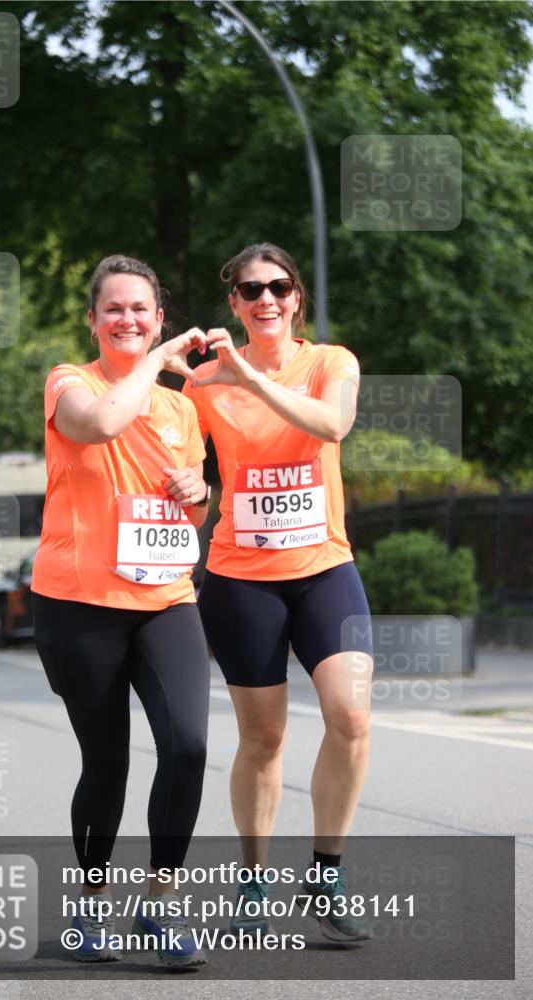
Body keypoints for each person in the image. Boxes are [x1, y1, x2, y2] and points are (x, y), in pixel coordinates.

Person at [184, 243, 374, 944]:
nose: (265, 299)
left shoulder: (330, 363)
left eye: (278, 286)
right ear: (232, 303)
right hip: (240, 579)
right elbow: (192, 486)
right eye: (249, 289)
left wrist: (245, 375)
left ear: (296, 297)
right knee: (262, 739)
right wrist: (190, 493)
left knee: (350, 718)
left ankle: (326, 870)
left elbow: (330, 425)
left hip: (324, 568)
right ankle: (254, 879)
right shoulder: (201, 383)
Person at [32, 255, 210, 967]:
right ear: (93, 320)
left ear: (158, 314)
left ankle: (160, 906)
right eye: (115, 308)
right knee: (106, 763)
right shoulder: (68, 383)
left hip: (165, 598)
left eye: (142, 309)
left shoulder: (183, 408)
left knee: (189, 747)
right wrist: (160, 360)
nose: (129, 319)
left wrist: (198, 493)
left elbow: (195, 514)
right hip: (79, 604)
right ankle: (89, 907)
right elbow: (103, 424)